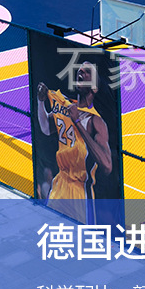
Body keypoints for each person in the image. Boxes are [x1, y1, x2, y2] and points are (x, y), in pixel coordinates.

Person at [36, 61, 112, 223]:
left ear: (94, 87)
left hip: (79, 192)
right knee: (51, 228)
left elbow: (107, 166)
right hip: (59, 183)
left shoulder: (95, 121)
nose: (81, 72)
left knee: (78, 235)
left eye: (87, 72)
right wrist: (41, 102)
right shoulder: (67, 106)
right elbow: (46, 128)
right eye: (80, 70)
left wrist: (77, 122)